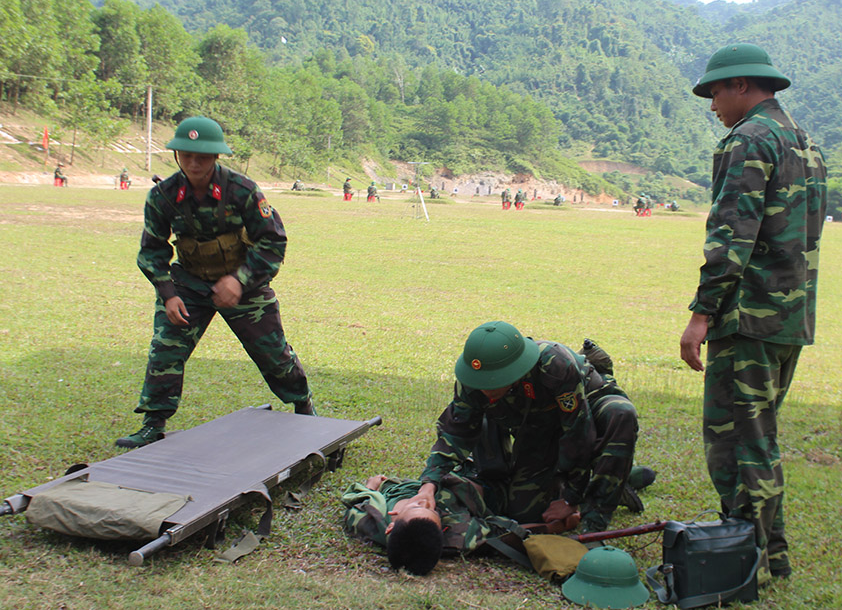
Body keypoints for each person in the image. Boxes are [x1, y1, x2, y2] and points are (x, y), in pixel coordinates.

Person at [679, 43, 827, 584]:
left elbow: (731, 237)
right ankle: (772, 553)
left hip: (748, 318)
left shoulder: (749, 140)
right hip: (789, 318)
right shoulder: (803, 141)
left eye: (716, 91)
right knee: (758, 436)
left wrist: (702, 314)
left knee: (736, 443)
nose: (712, 103)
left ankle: (747, 563)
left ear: (742, 85)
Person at [115, 116, 313, 448]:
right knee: (166, 349)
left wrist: (239, 280)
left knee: (273, 354)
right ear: (177, 155)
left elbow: (273, 241)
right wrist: (167, 294)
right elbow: (152, 250)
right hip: (188, 285)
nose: (194, 163)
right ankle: (153, 423)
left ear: (216, 157)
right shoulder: (162, 197)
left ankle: (303, 408)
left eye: (202, 157)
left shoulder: (242, 191)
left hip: (243, 285)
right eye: (186, 155)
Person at [418, 321, 642, 534]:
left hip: (586, 401)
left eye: (494, 380)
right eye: (482, 381)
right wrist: (430, 483)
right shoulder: (472, 379)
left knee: (620, 413)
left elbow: (578, 432)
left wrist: (570, 499)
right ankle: (617, 476)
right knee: (526, 512)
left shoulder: (554, 364)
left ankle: (599, 508)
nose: (486, 390)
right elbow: (456, 431)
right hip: (539, 422)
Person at [342, 472, 523, 575]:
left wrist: (371, 486)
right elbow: (505, 533)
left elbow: (355, 500)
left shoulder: (369, 520)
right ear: (442, 529)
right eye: (433, 511)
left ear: (390, 527)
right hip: (478, 480)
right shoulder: (460, 536)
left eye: (415, 508)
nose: (426, 502)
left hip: (420, 480)